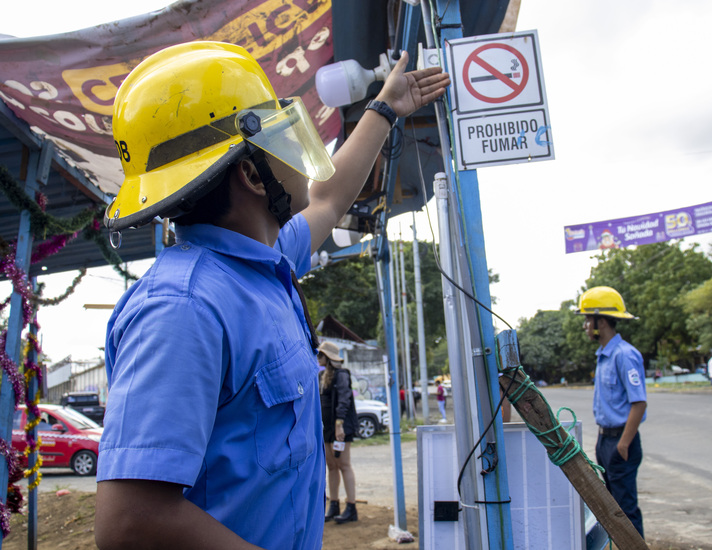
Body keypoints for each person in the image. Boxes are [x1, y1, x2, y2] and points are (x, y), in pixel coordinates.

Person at [94, 41, 449, 550]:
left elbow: (328, 198)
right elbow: (131, 520)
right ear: (252, 174)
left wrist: (385, 108)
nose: (299, 156)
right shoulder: (183, 308)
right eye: (280, 139)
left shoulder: (262, 262)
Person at [576, 286, 647, 538]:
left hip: (620, 441)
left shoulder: (624, 355)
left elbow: (639, 403)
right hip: (606, 440)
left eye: (587, 319)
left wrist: (623, 444)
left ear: (601, 321)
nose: (585, 325)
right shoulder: (604, 355)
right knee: (612, 508)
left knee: (625, 509)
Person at [317, 341, 359, 524]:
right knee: (331, 464)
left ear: (328, 357)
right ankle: (333, 505)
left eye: (321, 355)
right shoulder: (321, 375)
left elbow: (344, 398)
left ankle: (351, 507)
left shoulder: (342, 375)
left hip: (339, 426)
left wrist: (339, 424)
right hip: (326, 427)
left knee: (343, 464)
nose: (318, 358)